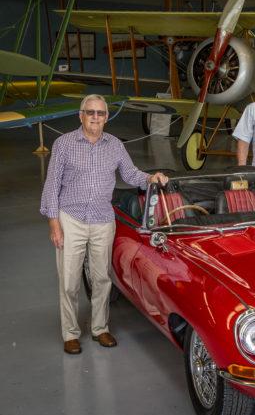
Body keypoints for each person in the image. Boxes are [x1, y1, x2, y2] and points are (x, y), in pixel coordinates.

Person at [40, 94, 169, 355]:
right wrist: (54, 224)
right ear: (81, 115)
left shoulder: (115, 146)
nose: (95, 117)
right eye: (90, 112)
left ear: (106, 118)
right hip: (71, 219)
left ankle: (100, 328)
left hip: (102, 219)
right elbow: (52, 185)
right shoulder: (64, 144)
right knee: (69, 281)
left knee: (101, 278)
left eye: (100, 113)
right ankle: (71, 333)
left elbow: (130, 174)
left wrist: (150, 177)